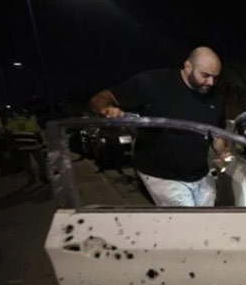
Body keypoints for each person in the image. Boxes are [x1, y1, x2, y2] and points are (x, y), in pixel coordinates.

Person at [89, 46, 230, 207]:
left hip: (200, 176)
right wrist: (106, 109)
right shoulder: (153, 82)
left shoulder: (215, 97)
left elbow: (217, 134)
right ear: (188, 67)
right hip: (162, 177)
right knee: (187, 220)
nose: (211, 82)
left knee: (207, 219)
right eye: (205, 75)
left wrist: (224, 153)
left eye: (215, 77)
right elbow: (100, 98)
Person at [5, 110, 48, 184]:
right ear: (25, 114)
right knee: (40, 161)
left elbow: (8, 134)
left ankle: (31, 178)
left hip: (21, 146)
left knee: (26, 163)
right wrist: (42, 145)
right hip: (33, 145)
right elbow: (38, 135)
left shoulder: (11, 123)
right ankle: (42, 176)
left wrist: (11, 145)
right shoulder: (31, 123)